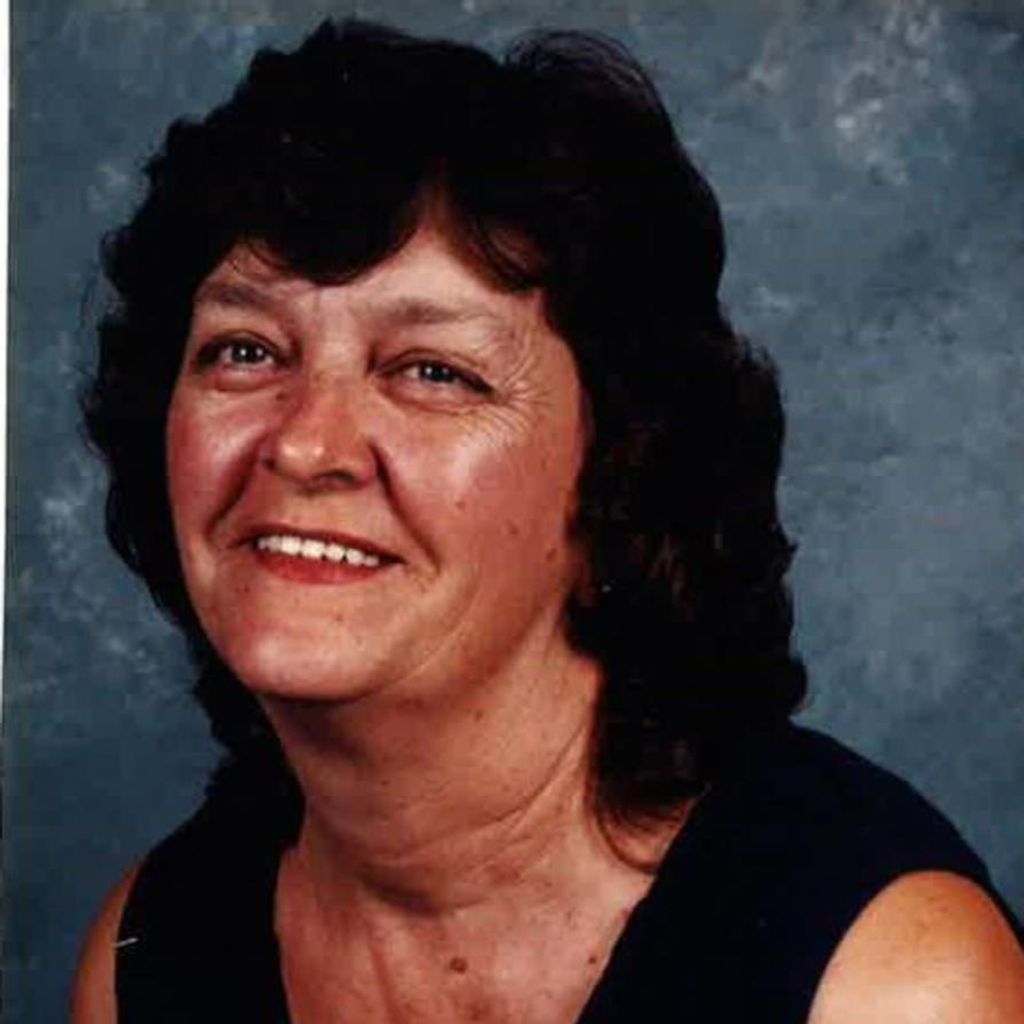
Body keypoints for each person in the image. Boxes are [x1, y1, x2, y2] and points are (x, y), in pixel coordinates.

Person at [72, 18, 1023, 1024]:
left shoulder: (887, 985)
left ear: (618, 470)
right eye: (246, 351)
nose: (305, 445)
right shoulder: (151, 954)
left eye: (433, 372)